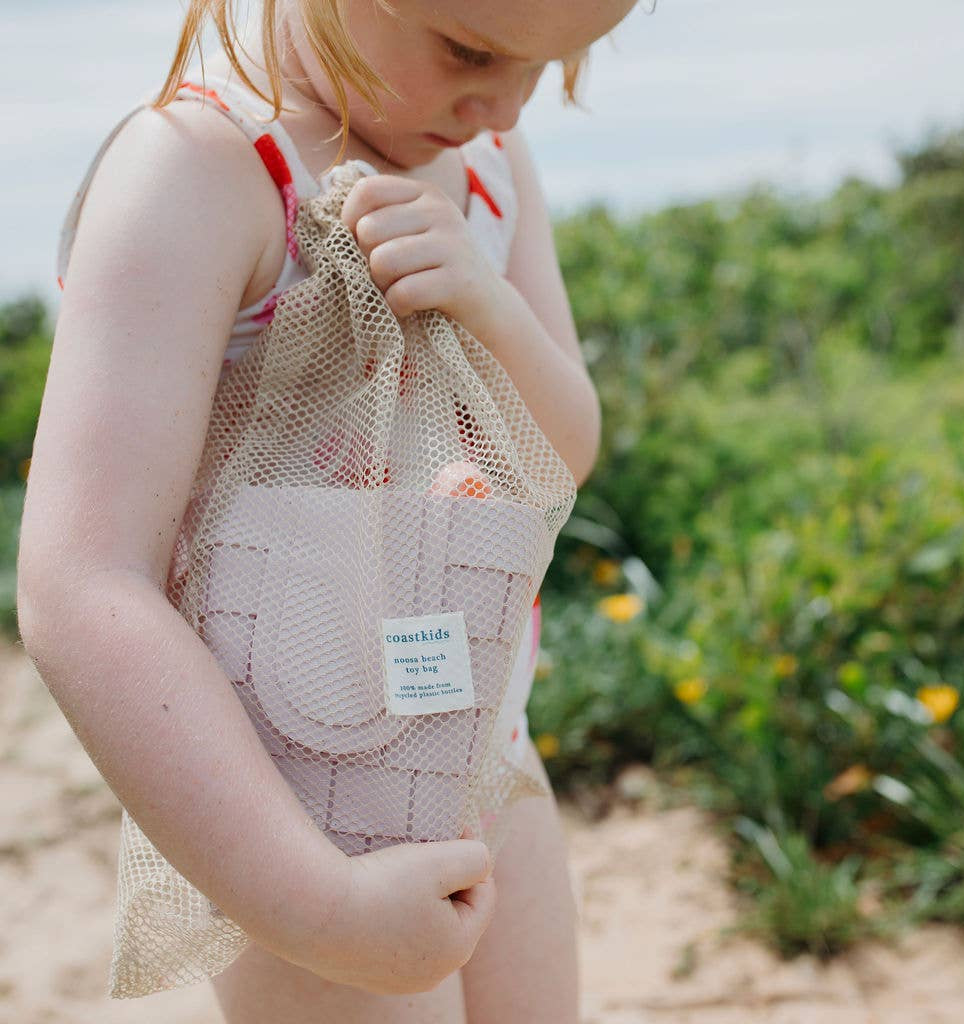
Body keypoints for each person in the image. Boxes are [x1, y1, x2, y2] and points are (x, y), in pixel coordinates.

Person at [17, 0, 636, 1020]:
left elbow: (557, 456)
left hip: (487, 747)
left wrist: (486, 302)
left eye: (559, 65)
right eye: (470, 50)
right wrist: (315, 904)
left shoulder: (490, 163)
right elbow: (83, 582)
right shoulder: (197, 168)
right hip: (288, 799)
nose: (504, 105)